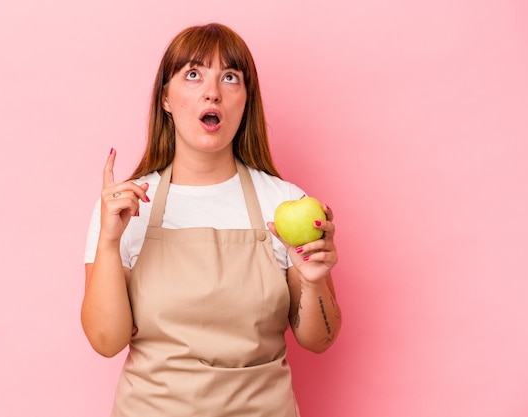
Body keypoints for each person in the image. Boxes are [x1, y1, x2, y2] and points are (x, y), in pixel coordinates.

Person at [81, 22, 342, 417]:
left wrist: (314, 279)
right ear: (165, 98)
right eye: (192, 74)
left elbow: (319, 340)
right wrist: (108, 241)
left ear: (245, 100)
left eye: (230, 77)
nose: (212, 91)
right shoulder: (127, 207)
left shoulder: (285, 202)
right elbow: (106, 340)